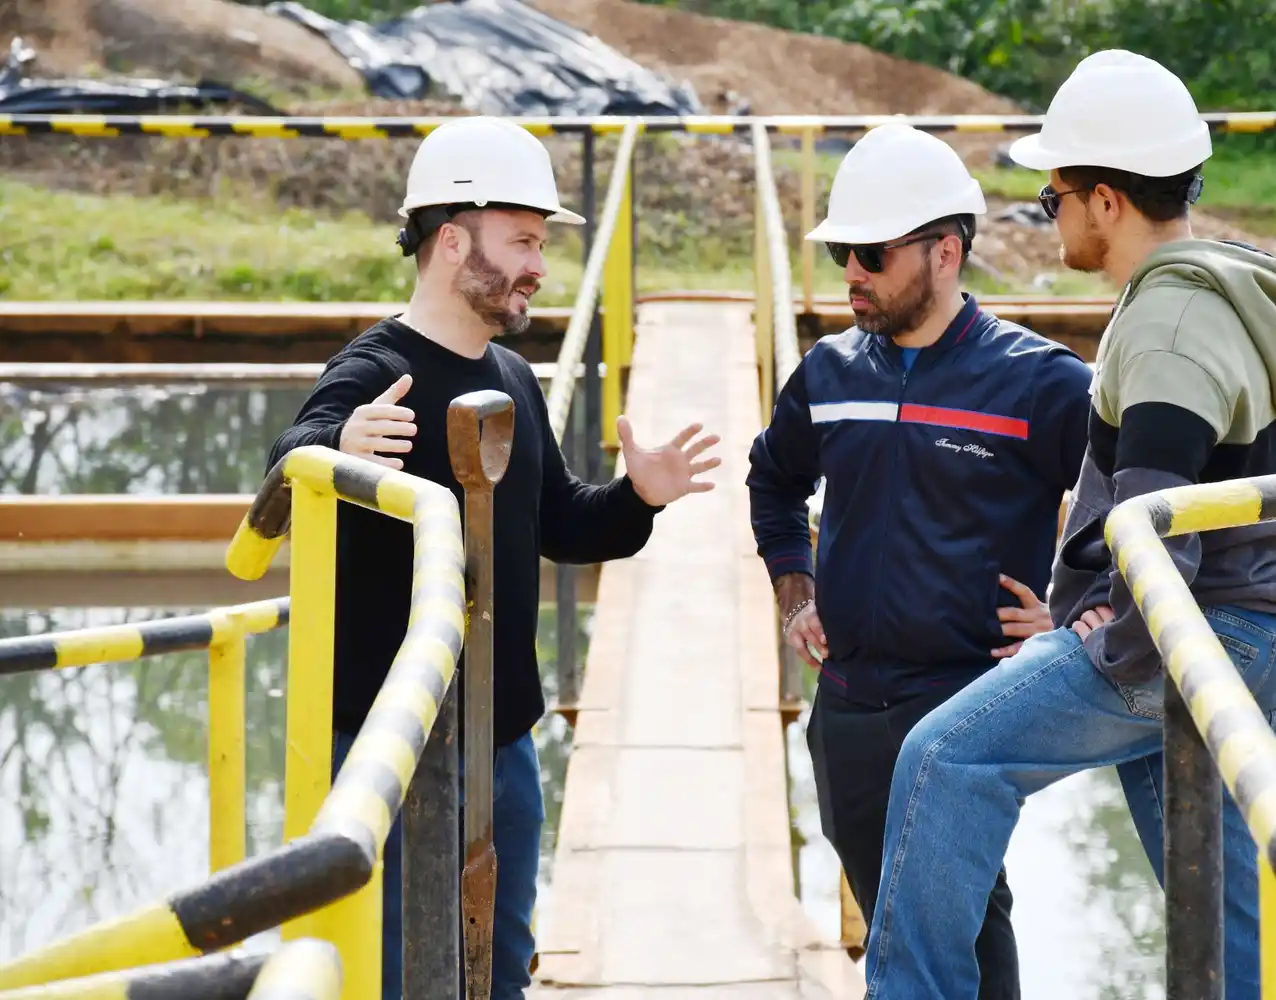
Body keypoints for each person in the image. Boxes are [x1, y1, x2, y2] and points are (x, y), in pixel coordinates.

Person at [859, 50, 1276, 999]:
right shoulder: (1242, 298)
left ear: (1106, 203)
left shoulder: (1166, 325)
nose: (1051, 215)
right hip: (1245, 631)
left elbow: (1158, 527)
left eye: (1054, 197)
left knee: (945, 761)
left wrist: (1116, 633)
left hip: (1178, 638)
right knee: (1227, 902)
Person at [266, 116, 721, 1000]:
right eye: (521, 240)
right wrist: (335, 441)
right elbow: (286, 470)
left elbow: (561, 524)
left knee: (501, 966)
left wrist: (639, 496)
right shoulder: (376, 366)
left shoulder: (511, 377)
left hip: (503, 741)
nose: (538, 266)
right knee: (404, 971)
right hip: (390, 746)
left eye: (541, 244)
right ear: (449, 241)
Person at [745, 123, 1095, 1000]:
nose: (851, 274)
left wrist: (1076, 615)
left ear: (946, 251)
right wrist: (797, 594)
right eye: (841, 256)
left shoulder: (1039, 383)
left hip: (968, 706)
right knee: (900, 918)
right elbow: (772, 481)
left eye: (868, 253)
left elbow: (1132, 510)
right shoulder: (827, 375)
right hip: (851, 709)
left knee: (965, 916)